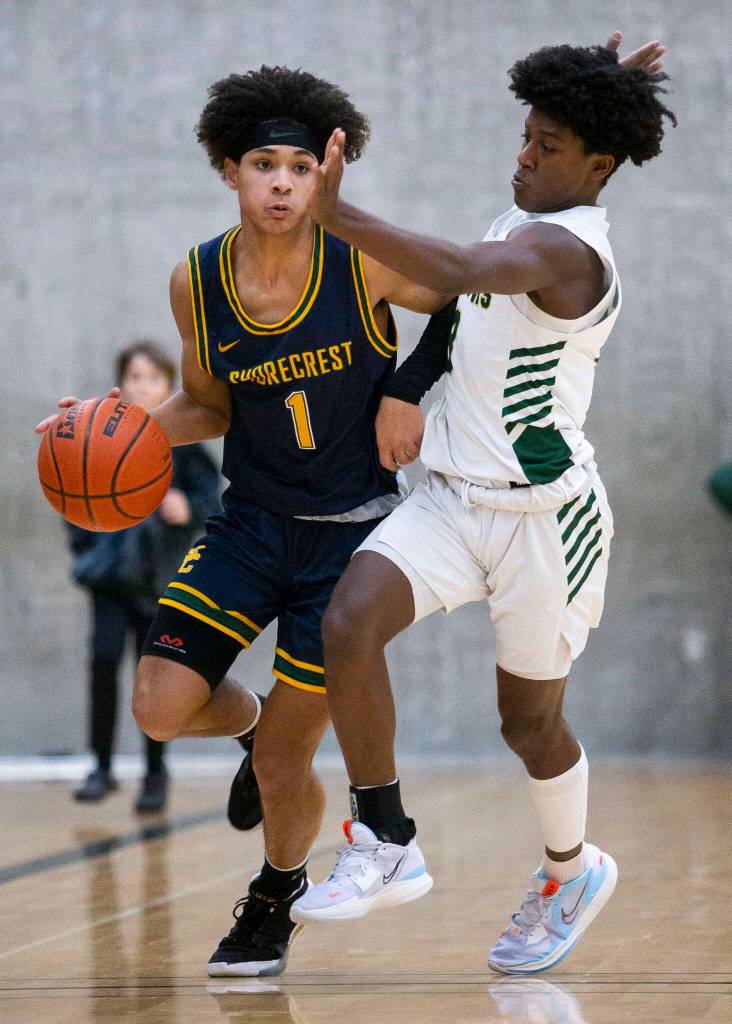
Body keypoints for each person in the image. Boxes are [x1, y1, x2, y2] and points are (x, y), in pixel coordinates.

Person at [37, 66, 452, 975]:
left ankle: (274, 896)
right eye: (262, 164)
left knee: (285, 765)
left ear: (322, 177)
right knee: (157, 706)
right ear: (230, 169)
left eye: (298, 168)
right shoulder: (197, 279)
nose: (280, 184)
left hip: (349, 539)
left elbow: (470, 299)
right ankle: (248, 718)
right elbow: (208, 405)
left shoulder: (363, 260)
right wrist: (105, 432)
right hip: (251, 524)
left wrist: (406, 389)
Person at [289, 36, 676, 977]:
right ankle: (384, 835)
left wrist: (336, 215)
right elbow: (458, 314)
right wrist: (408, 388)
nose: (524, 155)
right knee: (347, 622)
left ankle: (569, 871)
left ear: (599, 165)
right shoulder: (524, 216)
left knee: (527, 724)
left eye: (547, 145)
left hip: (547, 521)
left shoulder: (567, 250)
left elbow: (461, 271)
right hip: (453, 501)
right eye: (525, 136)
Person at [67, 341, 221, 811]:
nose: (141, 385)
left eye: (152, 378)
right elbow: (72, 492)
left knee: (153, 680)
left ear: (168, 387)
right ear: (122, 385)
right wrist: (87, 547)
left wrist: (187, 507)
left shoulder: (187, 449)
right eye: (133, 377)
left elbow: (213, 504)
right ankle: (101, 766)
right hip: (112, 580)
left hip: (160, 582)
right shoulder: (99, 440)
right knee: (103, 663)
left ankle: (155, 774)